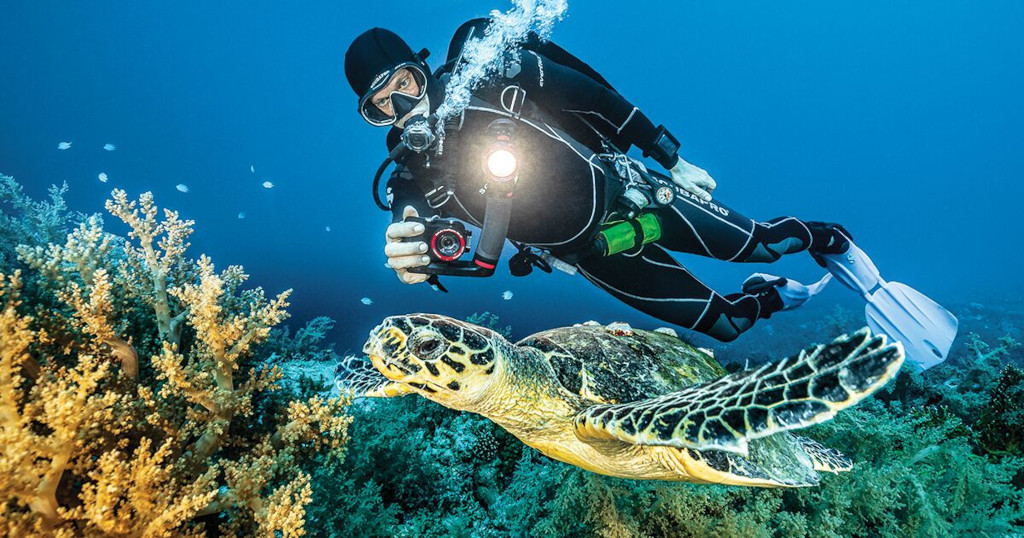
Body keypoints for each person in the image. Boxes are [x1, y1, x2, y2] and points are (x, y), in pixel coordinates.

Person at [343, 19, 956, 365]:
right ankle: (771, 296)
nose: (401, 107)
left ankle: (832, 241)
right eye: (380, 106)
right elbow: (407, 218)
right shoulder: (411, 168)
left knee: (763, 243)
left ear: (421, 68)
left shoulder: (490, 73)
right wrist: (406, 253)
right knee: (725, 326)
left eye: (404, 84)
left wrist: (671, 158)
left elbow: (593, 97)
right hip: (591, 255)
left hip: (635, 195)